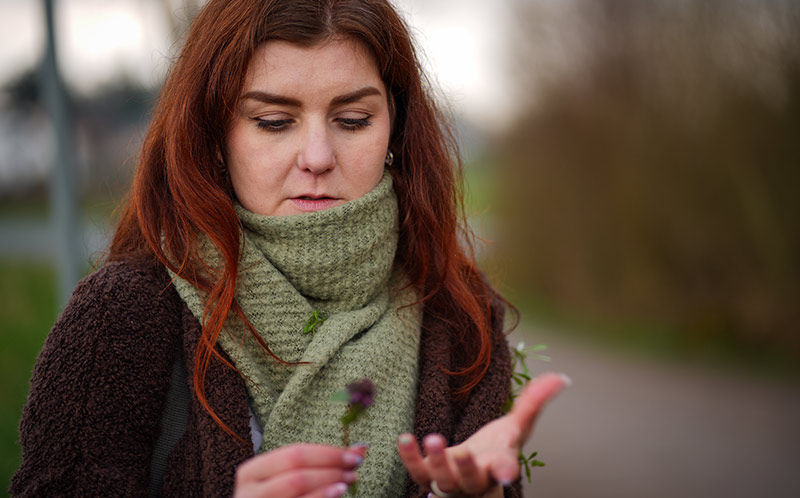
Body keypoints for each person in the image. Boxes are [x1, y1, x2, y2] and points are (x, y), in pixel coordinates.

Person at [11, 0, 568, 497]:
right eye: (274, 122)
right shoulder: (120, 318)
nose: (318, 156)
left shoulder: (459, 316)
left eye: (353, 120)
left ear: (394, 132)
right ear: (215, 137)